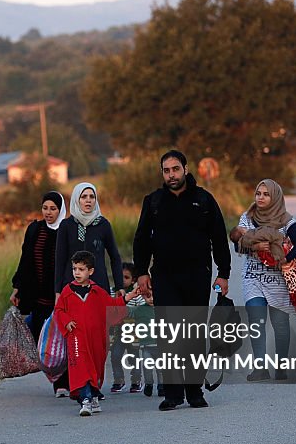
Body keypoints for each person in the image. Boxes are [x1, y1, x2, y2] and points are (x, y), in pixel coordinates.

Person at [133, 150, 231, 411]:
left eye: (175, 169)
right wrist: (142, 272)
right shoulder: (153, 202)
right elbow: (141, 239)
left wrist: (224, 274)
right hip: (164, 276)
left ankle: (195, 391)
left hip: (198, 275)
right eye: (166, 171)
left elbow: (219, 238)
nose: (171, 175)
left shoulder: (204, 200)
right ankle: (173, 394)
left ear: (185, 169)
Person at [229, 179, 296, 382]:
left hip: (278, 281)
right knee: (256, 320)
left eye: (266, 194)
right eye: (258, 193)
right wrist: (254, 248)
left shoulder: (286, 220)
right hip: (252, 278)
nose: (260, 198)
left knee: (280, 324)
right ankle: (260, 368)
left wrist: (284, 261)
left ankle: (281, 367)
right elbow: (237, 246)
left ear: (275, 197)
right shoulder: (246, 218)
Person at [54, 250, 136, 417]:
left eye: (81, 269)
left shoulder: (98, 292)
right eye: (75, 269)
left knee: (95, 368)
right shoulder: (67, 292)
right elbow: (59, 310)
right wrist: (67, 320)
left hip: (96, 340)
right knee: (80, 367)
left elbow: (112, 305)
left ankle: (94, 396)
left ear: (90, 271)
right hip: (76, 338)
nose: (77, 273)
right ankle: (85, 400)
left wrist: (128, 297)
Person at [10, 191, 70, 397]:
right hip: (37, 296)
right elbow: (25, 258)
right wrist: (17, 287)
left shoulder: (67, 229)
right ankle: (56, 375)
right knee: (41, 339)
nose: (48, 212)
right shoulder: (34, 229)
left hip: (61, 294)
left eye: (53, 208)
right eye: (45, 208)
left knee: (62, 339)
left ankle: (63, 382)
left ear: (61, 209)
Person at [54, 182, 124, 303]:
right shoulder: (66, 225)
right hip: (71, 287)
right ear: (77, 199)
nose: (88, 200)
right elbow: (60, 260)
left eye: (92, 197)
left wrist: (119, 286)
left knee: (98, 321)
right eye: (84, 197)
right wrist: (58, 292)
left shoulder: (103, 224)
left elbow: (115, 257)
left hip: (99, 285)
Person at [109, 262, 149, 394]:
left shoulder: (136, 294)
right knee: (115, 355)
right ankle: (118, 380)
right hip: (117, 332)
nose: (122, 280)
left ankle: (136, 381)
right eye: (119, 277)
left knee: (133, 357)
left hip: (132, 332)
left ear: (133, 280)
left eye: (126, 277)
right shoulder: (111, 292)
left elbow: (140, 310)